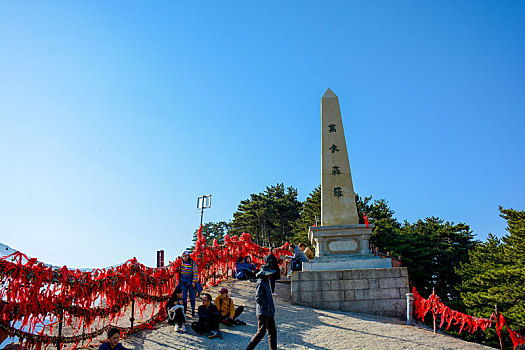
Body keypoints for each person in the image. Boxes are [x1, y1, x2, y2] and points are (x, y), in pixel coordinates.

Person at [246, 265, 277, 350]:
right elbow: (258, 298)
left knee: (272, 332)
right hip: (263, 312)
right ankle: (248, 349)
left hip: (269, 311)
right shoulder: (260, 282)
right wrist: (267, 306)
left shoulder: (266, 281)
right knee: (261, 332)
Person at [179, 250, 199, 316]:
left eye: (186, 256)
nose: (185, 257)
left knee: (192, 296)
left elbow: (195, 272)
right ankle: (184, 309)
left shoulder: (192, 263)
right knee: (184, 296)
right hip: (183, 281)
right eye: (183, 256)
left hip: (190, 281)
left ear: (188, 256)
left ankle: (193, 309)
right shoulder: (181, 263)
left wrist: (194, 281)